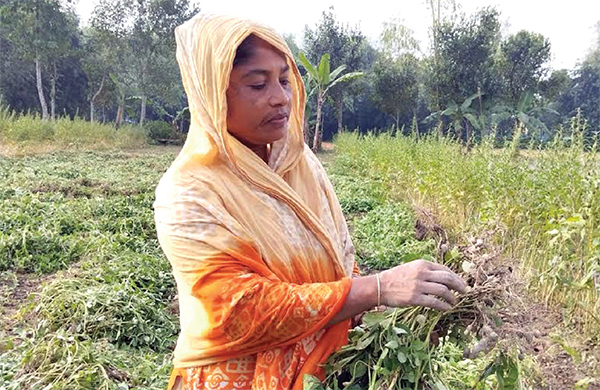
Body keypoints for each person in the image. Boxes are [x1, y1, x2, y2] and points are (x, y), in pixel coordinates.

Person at [153, 13, 467, 390]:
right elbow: (238, 312)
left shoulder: (300, 166)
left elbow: (338, 261)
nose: (281, 98)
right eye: (257, 84)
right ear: (212, 92)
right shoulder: (189, 190)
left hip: (326, 369)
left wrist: (385, 313)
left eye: (285, 80)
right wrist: (376, 288)